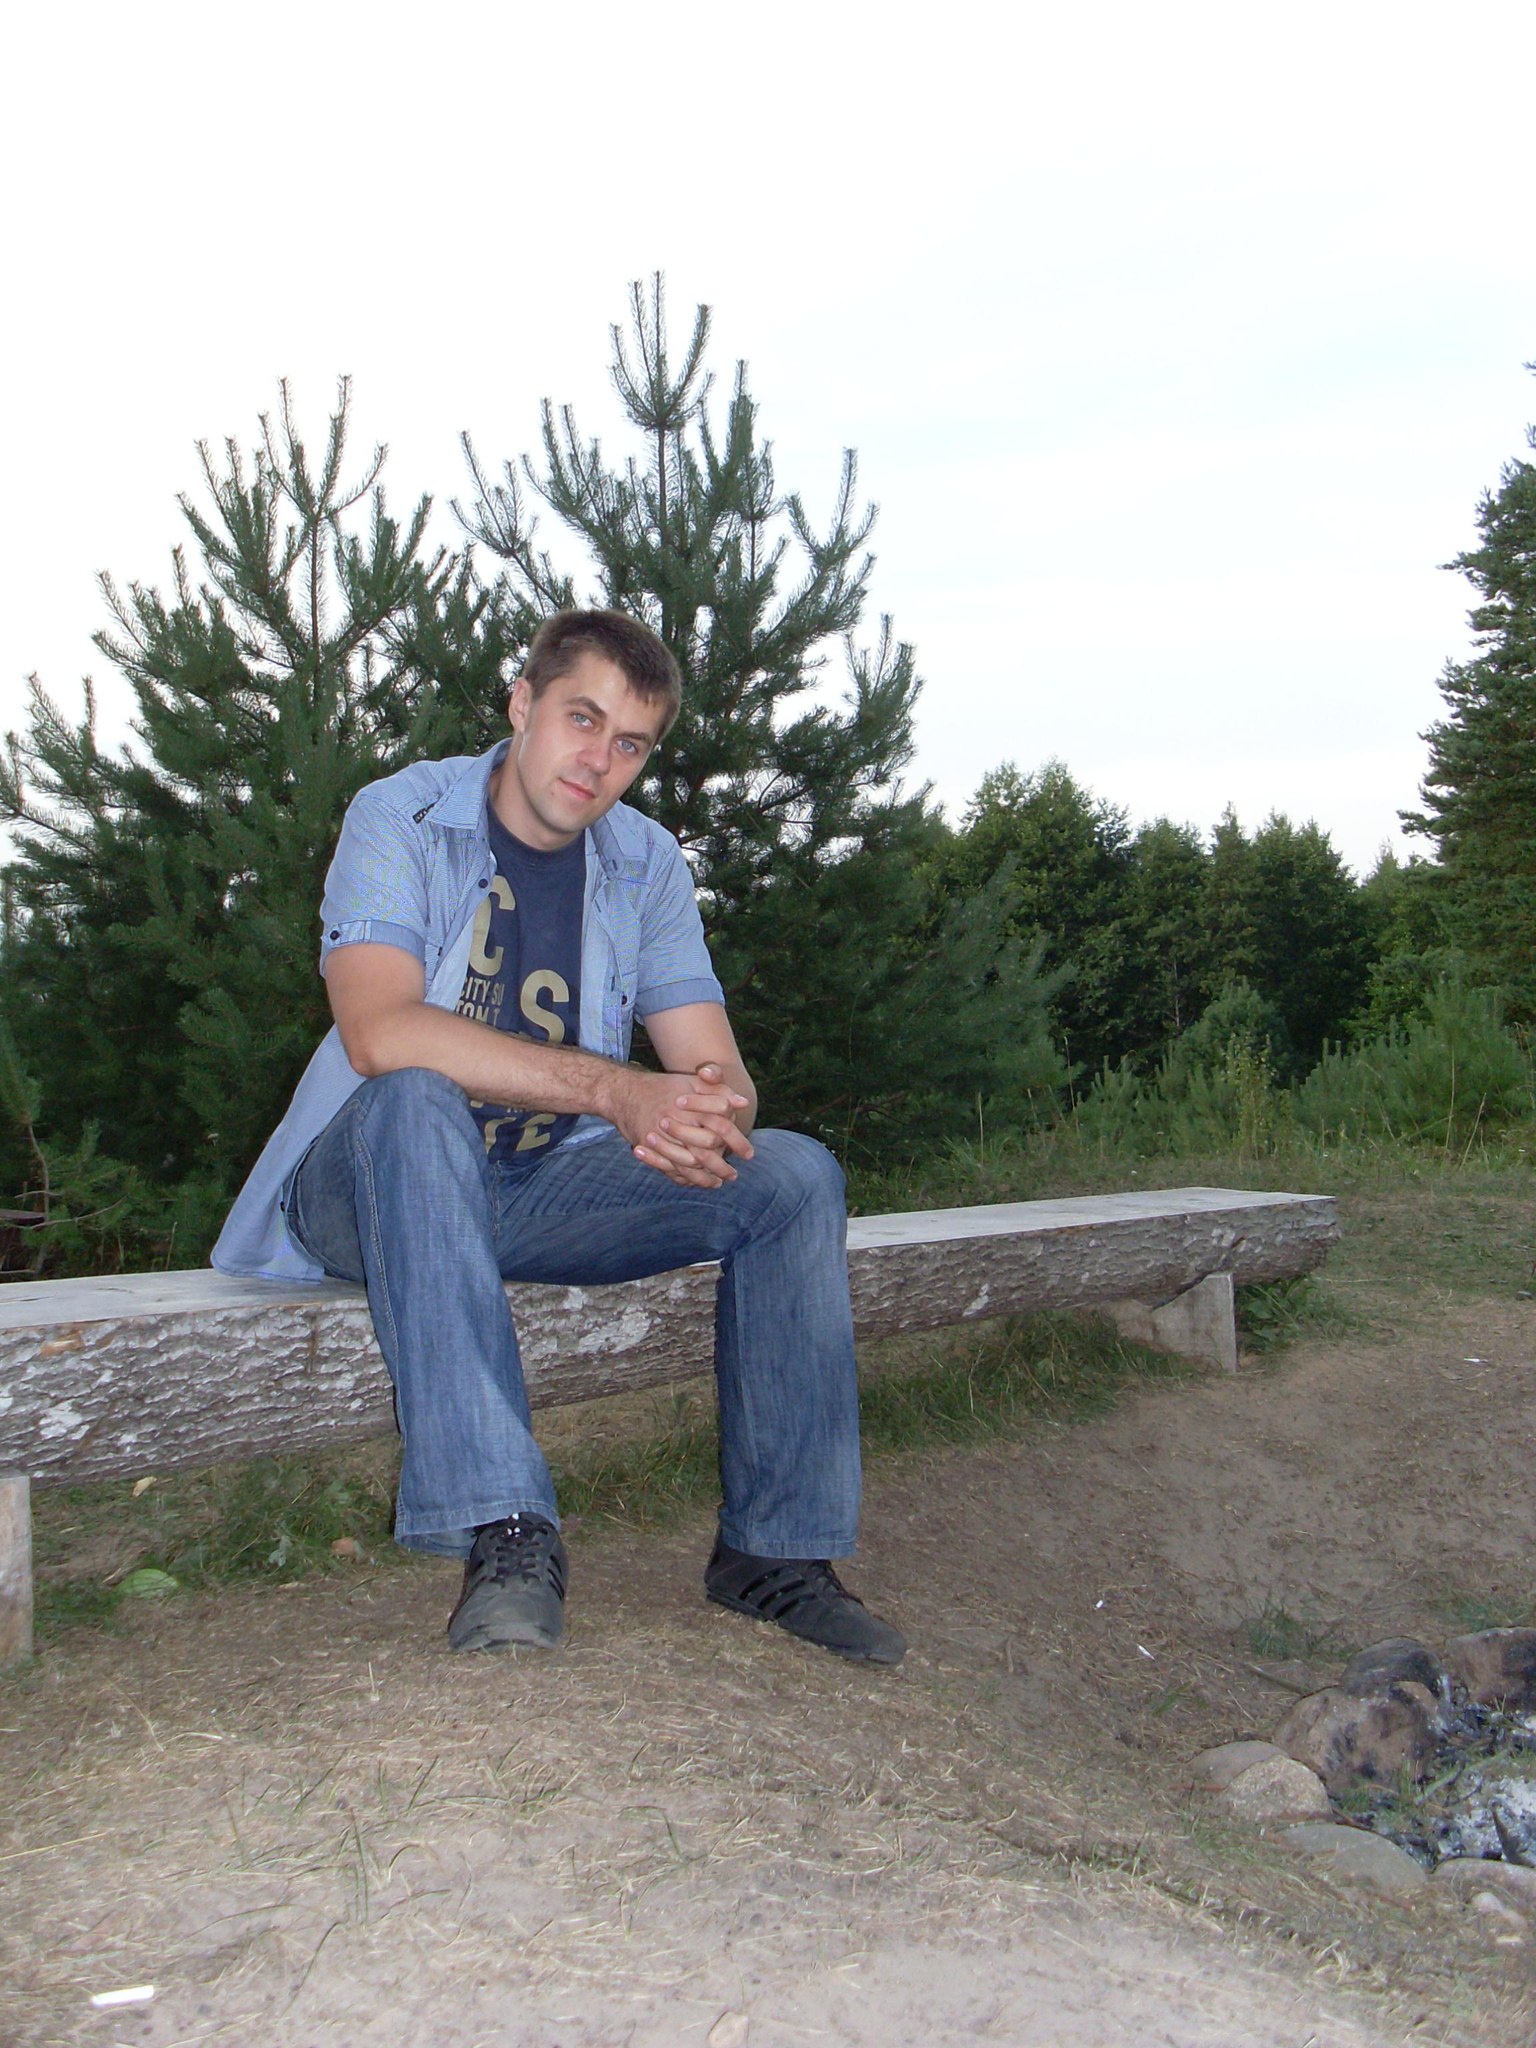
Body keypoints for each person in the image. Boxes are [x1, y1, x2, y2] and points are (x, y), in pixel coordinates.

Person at [213, 608, 904, 1665]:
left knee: (796, 1175)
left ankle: (776, 1554)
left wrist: (702, 1115)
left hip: (539, 1185)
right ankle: (506, 1526)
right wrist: (619, 1092)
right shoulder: (401, 815)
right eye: (582, 718)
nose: (599, 760)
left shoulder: (646, 863)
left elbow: (721, 1072)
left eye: (631, 742)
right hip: (371, 1183)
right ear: (522, 704)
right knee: (415, 1098)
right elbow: (379, 1032)